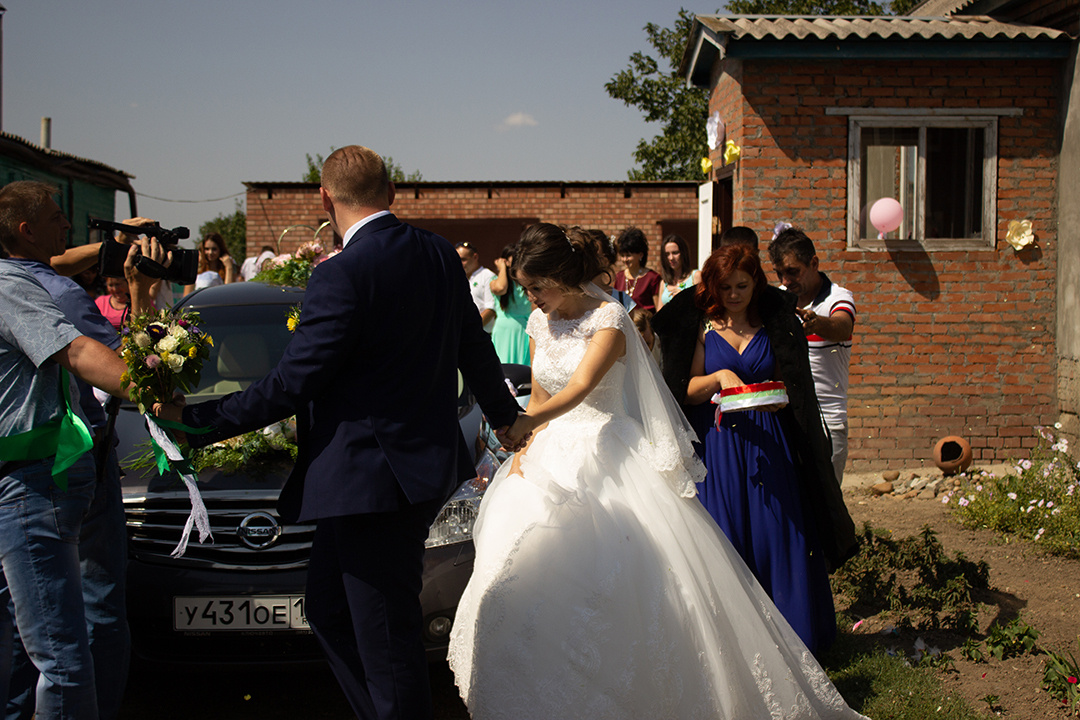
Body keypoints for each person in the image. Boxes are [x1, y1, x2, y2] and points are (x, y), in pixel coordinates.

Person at [155, 146, 522, 720]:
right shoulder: (437, 255)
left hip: (369, 484)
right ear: (392, 192)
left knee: (385, 637)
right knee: (330, 611)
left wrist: (198, 419)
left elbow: (294, 380)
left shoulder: (341, 273)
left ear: (324, 197)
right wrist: (503, 413)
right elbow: (473, 346)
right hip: (400, 476)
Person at [448, 222, 869, 720]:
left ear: (560, 275)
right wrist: (523, 447)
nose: (530, 297)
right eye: (525, 288)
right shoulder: (540, 325)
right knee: (528, 570)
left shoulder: (610, 318)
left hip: (607, 452)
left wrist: (522, 421)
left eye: (535, 286)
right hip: (548, 454)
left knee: (620, 577)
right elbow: (542, 391)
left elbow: (581, 386)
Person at [0, 181, 167, 720]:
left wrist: (111, 254)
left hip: (48, 470)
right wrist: (163, 394)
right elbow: (85, 350)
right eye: (56, 217)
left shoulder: (35, 279)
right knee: (71, 640)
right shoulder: (37, 288)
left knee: (46, 636)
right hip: (46, 472)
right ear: (25, 231)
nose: (67, 226)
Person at [686, 244, 840, 655]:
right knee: (727, 536)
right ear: (712, 286)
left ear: (756, 284)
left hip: (768, 440)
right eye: (725, 286)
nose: (734, 294)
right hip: (719, 445)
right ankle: (734, 646)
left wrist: (780, 397)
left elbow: (788, 382)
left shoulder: (775, 326)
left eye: (742, 285)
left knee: (777, 533)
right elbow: (687, 391)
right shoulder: (702, 327)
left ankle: (791, 640)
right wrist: (719, 376)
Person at [768, 227, 856, 485]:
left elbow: (843, 326)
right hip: (786, 419)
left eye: (792, 271)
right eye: (779, 273)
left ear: (814, 263)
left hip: (826, 420)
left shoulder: (838, 298)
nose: (785, 280)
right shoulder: (778, 301)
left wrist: (817, 324)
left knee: (827, 508)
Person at [488, 244, 531, 365]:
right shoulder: (495, 281)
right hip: (505, 329)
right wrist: (502, 268)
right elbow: (501, 288)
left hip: (524, 328)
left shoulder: (526, 281)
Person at [612, 226, 661, 311]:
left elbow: (659, 310)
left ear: (640, 255)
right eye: (622, 256)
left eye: (628, 256)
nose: (625, 259)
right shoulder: (619, 277)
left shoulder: (652, 278)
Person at [455, 241, 496, 332]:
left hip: (481, 334)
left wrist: (471, 330)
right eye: (457, 259)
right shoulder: (457, 278)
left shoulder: (487, 276)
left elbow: (491, 309)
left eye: (463, 259)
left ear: (475, 257)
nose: (460, 263)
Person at [656, 233, 700, 309]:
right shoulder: (664, 283)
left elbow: (704, 306)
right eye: (667, 254)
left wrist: (685, 298)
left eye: (675, 253)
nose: (671, 258)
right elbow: (659, 313)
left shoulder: (695, 276)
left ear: (683, 253)